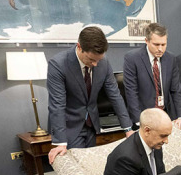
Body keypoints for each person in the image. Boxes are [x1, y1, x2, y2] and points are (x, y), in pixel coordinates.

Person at [47, 26, 132, 163]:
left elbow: (115, 95)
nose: (95, 64)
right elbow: (57, 104)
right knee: (78, 166)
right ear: (79, 47)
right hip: (69, 126)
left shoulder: (103, 62)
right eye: (91, 59)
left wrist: (127, 128)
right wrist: (60, 142)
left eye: (99, 59)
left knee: (90, 163)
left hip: (92, 124)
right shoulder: (58, 64)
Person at [123, 22, 181, 130]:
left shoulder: (171, 59)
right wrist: (139, 122)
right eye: (156, 45)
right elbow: (131, 92)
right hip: (144, 118)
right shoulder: (132, 58)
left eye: (163, 44)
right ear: (146, 41)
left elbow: (176, 90)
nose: (160, 49)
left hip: (166, 116)